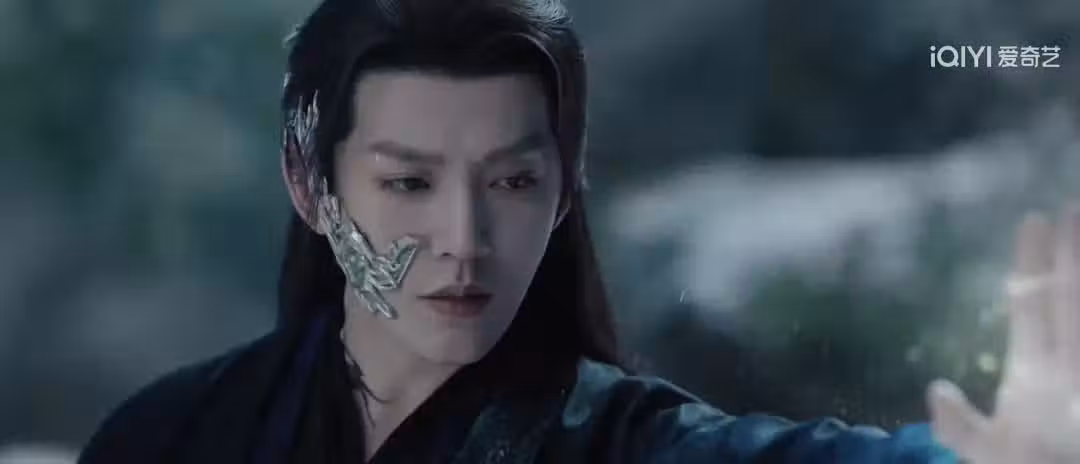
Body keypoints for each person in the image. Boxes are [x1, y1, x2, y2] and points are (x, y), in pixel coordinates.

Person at [77, 0, 1080, 462]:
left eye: (514, 180)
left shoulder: (623, 442)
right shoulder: (171, 434)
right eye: (409, 182)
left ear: (564, 192)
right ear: (309, 184)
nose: (465, 236)